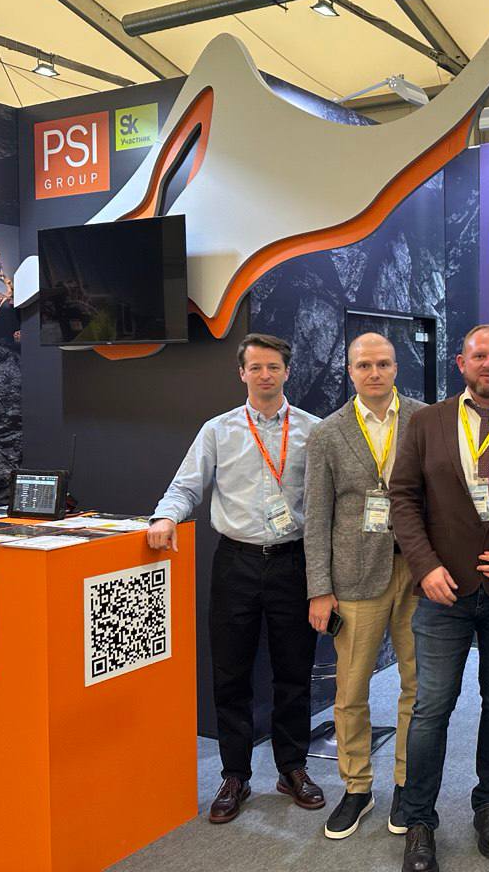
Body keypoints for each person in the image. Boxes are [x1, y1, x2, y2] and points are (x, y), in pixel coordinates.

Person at [389, 324, 489, 872]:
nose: (488, 364)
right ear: (461, 363)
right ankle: (419, 820)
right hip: (443, 592)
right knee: (431, 707)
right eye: (479, 355)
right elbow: (403, 499)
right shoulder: (426, 423)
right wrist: (424, 566)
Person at [147, 332, 325, 825]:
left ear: (287, 371)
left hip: (293, 562)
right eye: (256, 367)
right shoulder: (218, 430)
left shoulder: (313, 431)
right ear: (242, 373)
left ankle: (292, 768)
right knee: (231, 673)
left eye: (274, 367)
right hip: (236, 563)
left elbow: (328, 500)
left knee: (293, 671)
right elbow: (186, 486)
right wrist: (165, 517)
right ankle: (235, 774)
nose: (265, 375)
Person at [304, 333, 426, 839]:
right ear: (350, 371)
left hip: (417, 571)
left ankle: (406, 783)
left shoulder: (424, 420)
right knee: (351, 689)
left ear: (396, 367)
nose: (374, 373)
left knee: (418, 687)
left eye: (382, 364)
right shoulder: (327, 433)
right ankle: (357, 787)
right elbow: (317, 517)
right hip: (354, 578)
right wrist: (319, 589)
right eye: (363, 365)